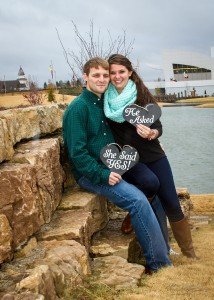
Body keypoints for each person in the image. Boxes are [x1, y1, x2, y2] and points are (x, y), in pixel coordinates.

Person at [63, 57, 172, 273]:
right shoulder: (78, 108)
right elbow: (77, 154)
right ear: (85, 77)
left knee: (155, 190)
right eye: (96, 75)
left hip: (115, 162)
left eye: (105, 75)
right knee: (139, 201)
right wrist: (103, 175)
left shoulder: (102, 102)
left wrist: (153, 135)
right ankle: (159, 265)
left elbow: (128, 129)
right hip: (93, 173)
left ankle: (164, 250)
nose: (102, 80)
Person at [104, 54, 197, 259]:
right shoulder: (105, 100)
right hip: (129, 160)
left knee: (171, 202)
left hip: (154, 154)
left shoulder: (141, 96)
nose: (117, 76)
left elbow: (158, 127)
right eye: (113, 72)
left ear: (130, 72)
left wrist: (152, 133)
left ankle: (189, 254)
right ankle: (137, 214)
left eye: (121, 71)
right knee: (150, 185)